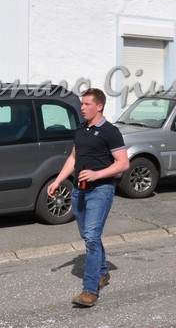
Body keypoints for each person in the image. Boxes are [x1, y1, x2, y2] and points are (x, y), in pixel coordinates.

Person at [47, 87, 129, 308]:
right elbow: (73, 158)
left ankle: (90, 290)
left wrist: (96, 174)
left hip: (100, 190)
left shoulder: (110, 131)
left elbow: (123, 163)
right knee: (88, 235)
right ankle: (102, 272)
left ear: (99, 106)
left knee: (92, 237)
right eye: (82, 104)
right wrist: (58, 181)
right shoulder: (81, 129)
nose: (82, 108)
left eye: (86, 104)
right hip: (78, 190)